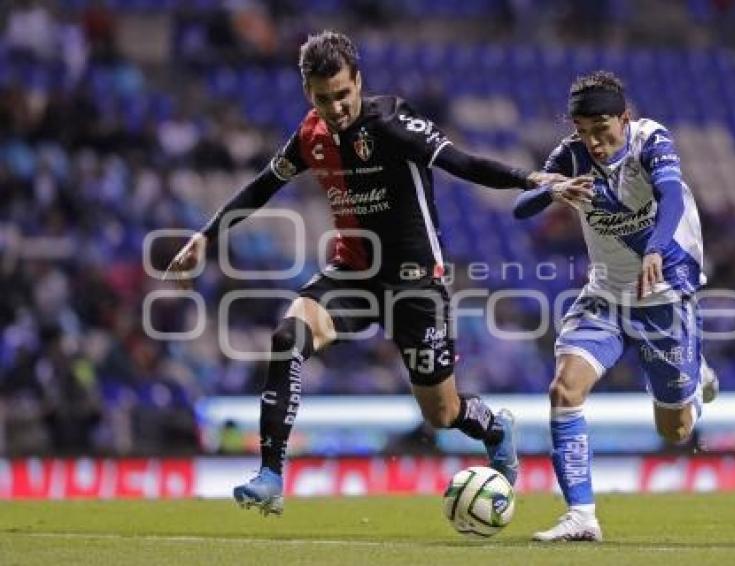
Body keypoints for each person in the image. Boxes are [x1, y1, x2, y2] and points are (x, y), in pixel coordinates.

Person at [165, 30, 563, 515]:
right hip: (352, 275)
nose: (335, 108)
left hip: (416, 282)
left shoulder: (393, 122)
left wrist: (529, 178)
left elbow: (460, 161)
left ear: (358, 81)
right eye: (322, 98)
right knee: (288, 337)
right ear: (308, 94)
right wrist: (205, 237)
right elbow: (262, 186)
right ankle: (270, 475)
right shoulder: (309, 137)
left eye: (342, 94)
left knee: (441, 414)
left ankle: (494, 426)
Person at [514, 70, 719, 542]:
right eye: (584, 132)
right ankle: (581, 515)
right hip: (605, 296)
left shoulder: (652, 140)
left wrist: (655, 247)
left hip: (663, 295)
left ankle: (694, 373)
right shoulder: (569, 154)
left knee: (676, 431)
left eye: (602, 131)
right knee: (564, 390)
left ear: (625, 118)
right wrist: (551, 190)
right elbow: (520, 207)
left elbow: (669, 196)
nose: (595, 143)